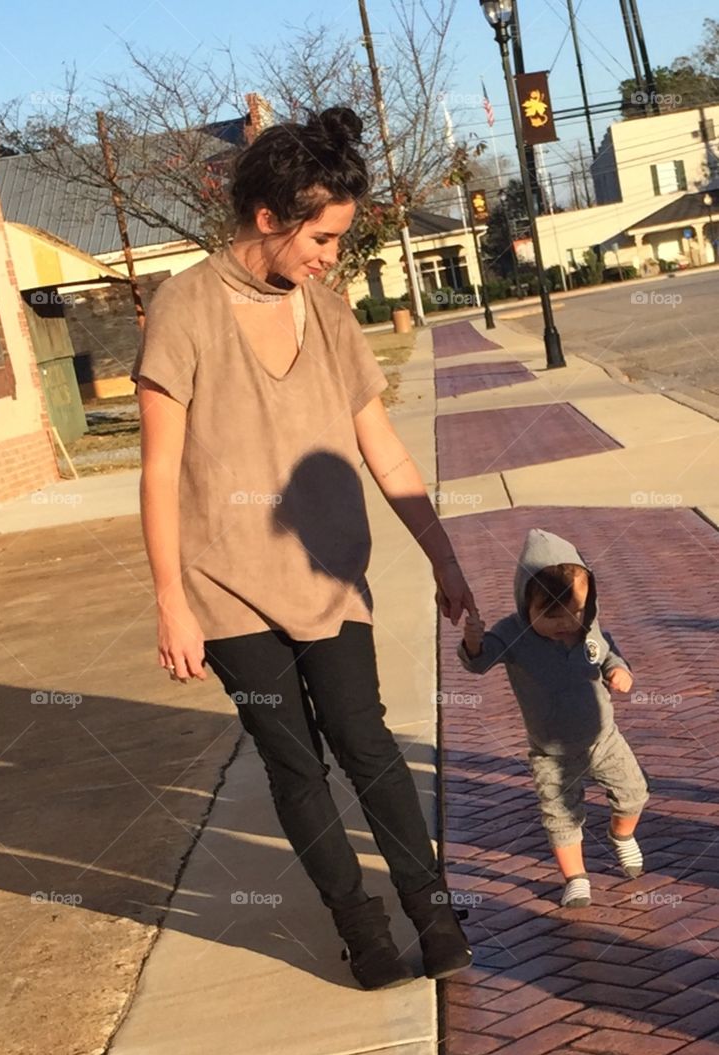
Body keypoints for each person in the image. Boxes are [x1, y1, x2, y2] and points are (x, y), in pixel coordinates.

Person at [132, 105, 477, 989]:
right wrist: (171, 598)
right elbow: (160, 465)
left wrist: (443, 556)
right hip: (229, 589)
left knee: (367, 741)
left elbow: (384, 446)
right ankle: (361, 931)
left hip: (329, 579)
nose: (332, 255)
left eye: (338, 239)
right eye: (322, 237)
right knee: (294, 759)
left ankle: (432, 913)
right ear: (268, 219)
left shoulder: (326, 314)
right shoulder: (185, 308)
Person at [459, 528, 649, 908]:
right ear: (525, 602)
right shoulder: (512, 634)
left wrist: (618, 669)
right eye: (551, 613)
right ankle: (576, 878)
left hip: (602, 738)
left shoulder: (586, 627)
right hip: (551, 750)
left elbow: (607, 651)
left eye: (575, 611)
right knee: (561, 816)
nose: (565, 622)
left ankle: (622, 835)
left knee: (634, 794)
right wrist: (474, 642)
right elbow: (479, 663)